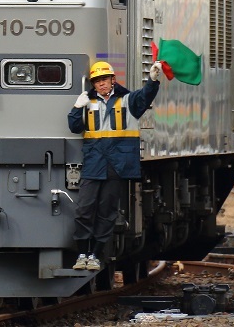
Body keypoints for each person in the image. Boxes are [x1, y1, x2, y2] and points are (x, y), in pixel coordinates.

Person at [67, 59, 162, 271]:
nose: (101, 84)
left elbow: (144, 96)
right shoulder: (87, 102)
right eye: (97, 81)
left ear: (112, 80)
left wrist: (153, 80)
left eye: (104, 79)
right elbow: (74, 127)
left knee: (107, 211)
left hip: (116, 165)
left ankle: (95, 255)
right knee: (84, 209)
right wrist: (76, 108)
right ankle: (82, 253)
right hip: (94, 163)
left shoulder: (128, 101)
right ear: (93, 84)